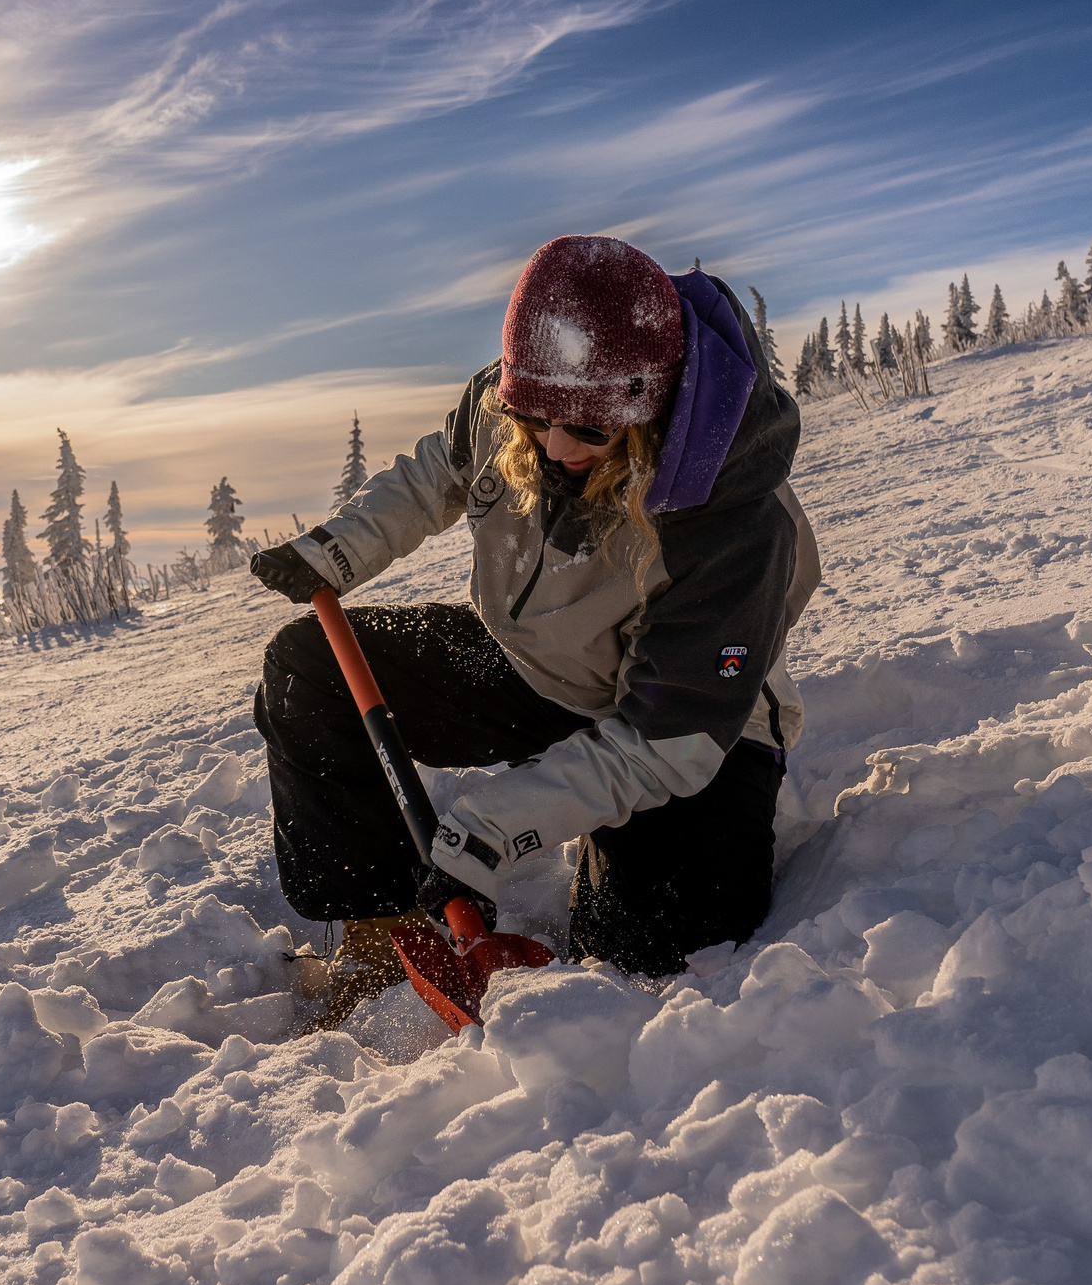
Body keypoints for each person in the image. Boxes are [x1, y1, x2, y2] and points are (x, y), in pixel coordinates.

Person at [249, 235, 820, 1026]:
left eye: (588, 431)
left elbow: (668, 742)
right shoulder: (524, 393)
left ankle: (608, 842)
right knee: (306, 670)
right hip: (536, 664)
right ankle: (384, 930)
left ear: (647, 402)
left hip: (686, 722)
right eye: (536, 418)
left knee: (650, 953)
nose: (555, 447)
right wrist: (336, 551)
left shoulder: (732, 521)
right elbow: (437, 472)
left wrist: (490, 830)